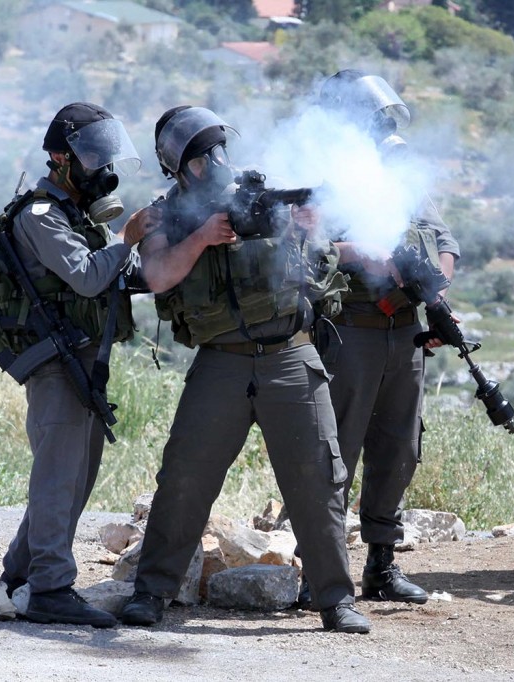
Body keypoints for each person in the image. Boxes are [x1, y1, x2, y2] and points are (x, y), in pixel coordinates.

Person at [117, 106, 371, 634]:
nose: (213, 163)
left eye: (216, 150)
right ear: (178, 168)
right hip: (222, 362)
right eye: (200, 157)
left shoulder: (266, 191)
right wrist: (203, 237)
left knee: (319, 478)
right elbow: (157, 274)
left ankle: (335, 599)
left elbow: (326, 255)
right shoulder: (170, 215)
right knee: (184, 478)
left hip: (290, 353)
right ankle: (152, 592)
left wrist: (308, 228)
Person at [304, 70, 461, 605]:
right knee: (336, 452)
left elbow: (443, 237)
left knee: (399, 447)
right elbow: (304, 245)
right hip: (350, 330)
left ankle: (381, 565)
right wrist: (361, 253)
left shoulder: (398, 172)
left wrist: (436, 283)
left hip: (405, 333)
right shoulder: (319, 175)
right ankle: (321, 573)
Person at [0, 102, 147, 627]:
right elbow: (85, 276)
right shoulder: (41, 215)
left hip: (79, 358)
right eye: (90, 159)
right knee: (59, 478)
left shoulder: (74, 212)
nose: (102, 171)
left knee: (72, 477)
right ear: (59, 159)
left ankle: (18, 576)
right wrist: (128, 238)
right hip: (55, 362)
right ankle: (52, 589)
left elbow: (114, 274)